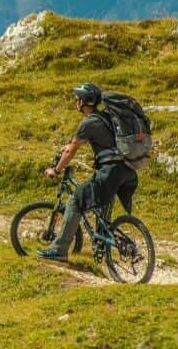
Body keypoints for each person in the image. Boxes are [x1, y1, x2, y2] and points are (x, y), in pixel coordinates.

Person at [36, 83, 138, 262]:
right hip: (127, 171)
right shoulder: (106, 118)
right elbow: (74, 144)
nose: (76, 101)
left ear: (84, 102)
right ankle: (101, 244)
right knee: (102, 200)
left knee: (75, 200)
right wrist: (67, 148)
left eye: (78, 99)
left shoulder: (89, 122)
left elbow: (71, 150)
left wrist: (56, 169)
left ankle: (59, 249)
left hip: (110, 171)